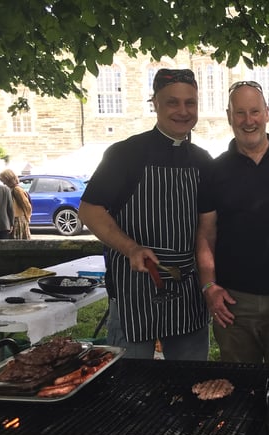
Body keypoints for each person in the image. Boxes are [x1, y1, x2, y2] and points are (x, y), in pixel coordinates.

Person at [196, 80, 269, 435]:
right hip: (234, 302)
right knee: (238, 387)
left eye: (255, 111)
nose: (249, 120)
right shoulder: (215, 170)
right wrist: (209, 285)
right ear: (229, 116)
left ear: (267, 113)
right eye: (241, 112)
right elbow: (206, 234)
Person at [78, 68, 212, 360]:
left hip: (186, 290)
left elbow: (208, 229)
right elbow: (89, 210)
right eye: (172, 102)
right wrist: (132, 248)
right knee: (129, 388)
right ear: (155, 104)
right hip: (133, 289)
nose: (182, 111)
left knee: (190, 383)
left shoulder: (203, 161)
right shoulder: (125, 154)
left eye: (190, 103)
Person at [0, 169, 31, 239]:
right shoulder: (12, 189)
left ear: (8, 179)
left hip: (18, 219)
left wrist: (27, 218)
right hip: (16, 219)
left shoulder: (17, 190)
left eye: (3, 180)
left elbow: (26, 205)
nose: (3, 183)